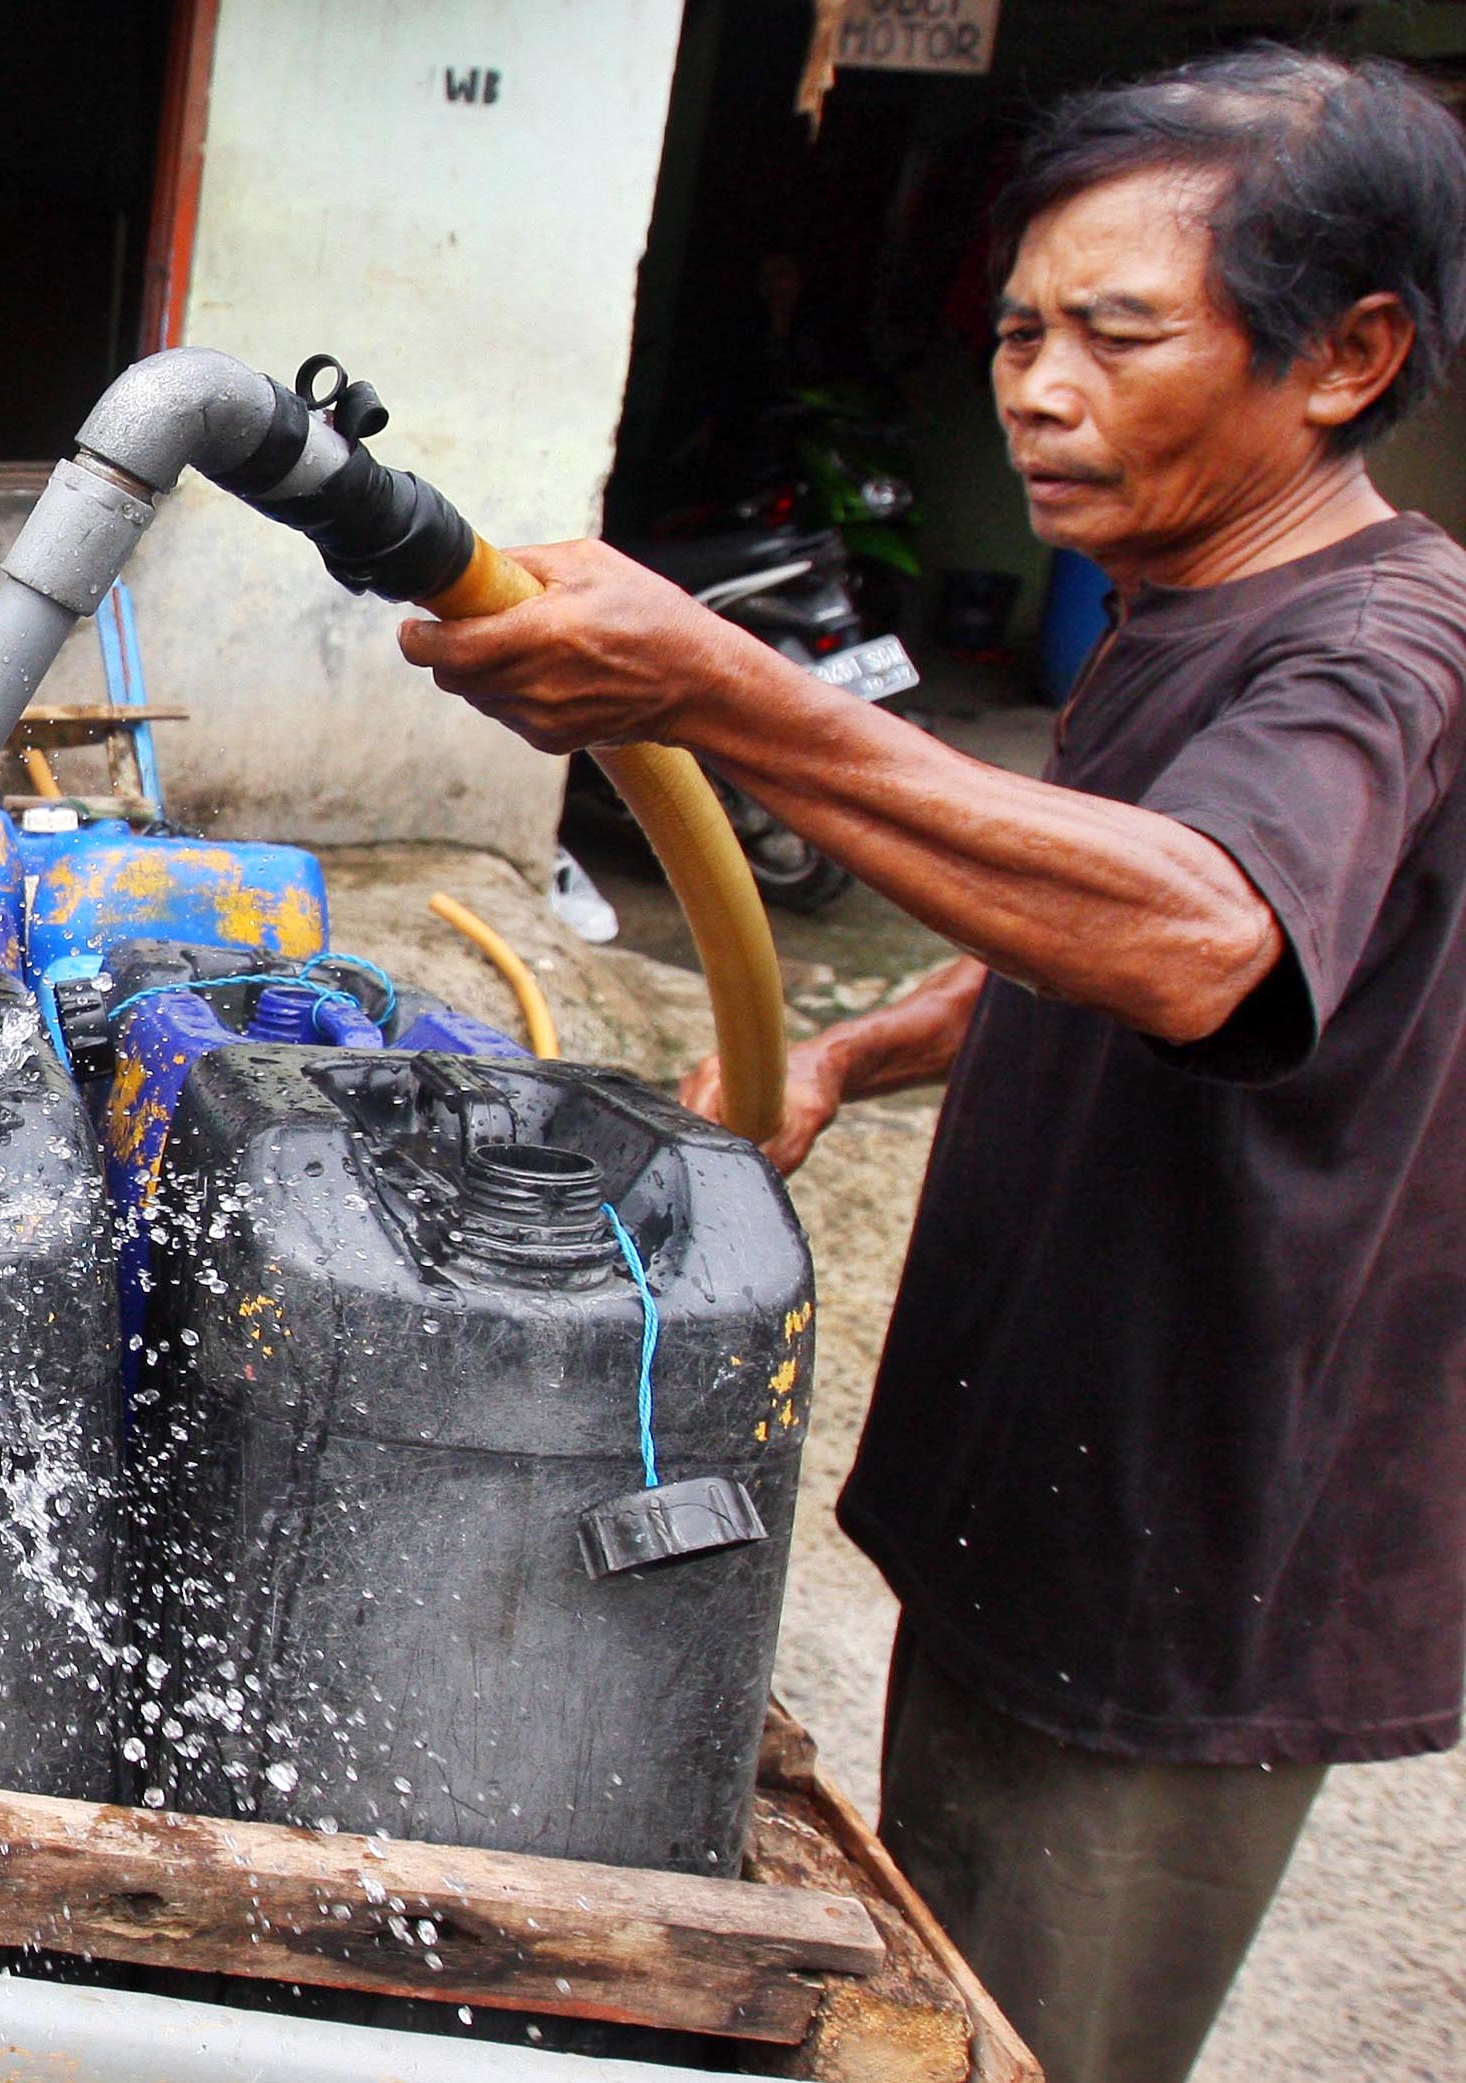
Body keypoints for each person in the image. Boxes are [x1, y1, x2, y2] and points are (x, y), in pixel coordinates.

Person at [399, 50, 1466, 2083]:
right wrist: (851, 1047)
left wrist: (731, 693)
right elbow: (1071, 925)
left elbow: (1202, 932)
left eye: (1118, 336)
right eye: (1019, 333)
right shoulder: (1188, 607)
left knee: (1010, 2039)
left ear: (1348, 353)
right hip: (1058, 1484)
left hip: (1192, 1532)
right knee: (927, 1961)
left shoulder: (1379, 651)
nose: (1037, 389)